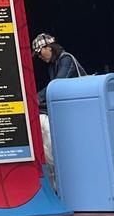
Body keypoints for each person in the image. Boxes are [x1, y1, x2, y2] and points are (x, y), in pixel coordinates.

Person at [33, 32, 88, 176]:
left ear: (49, 47)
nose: (40, 57)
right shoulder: (52, 66)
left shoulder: (66, 59)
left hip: (80, 105)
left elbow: (56, 86)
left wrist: (36, 97)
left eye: (40, 53)